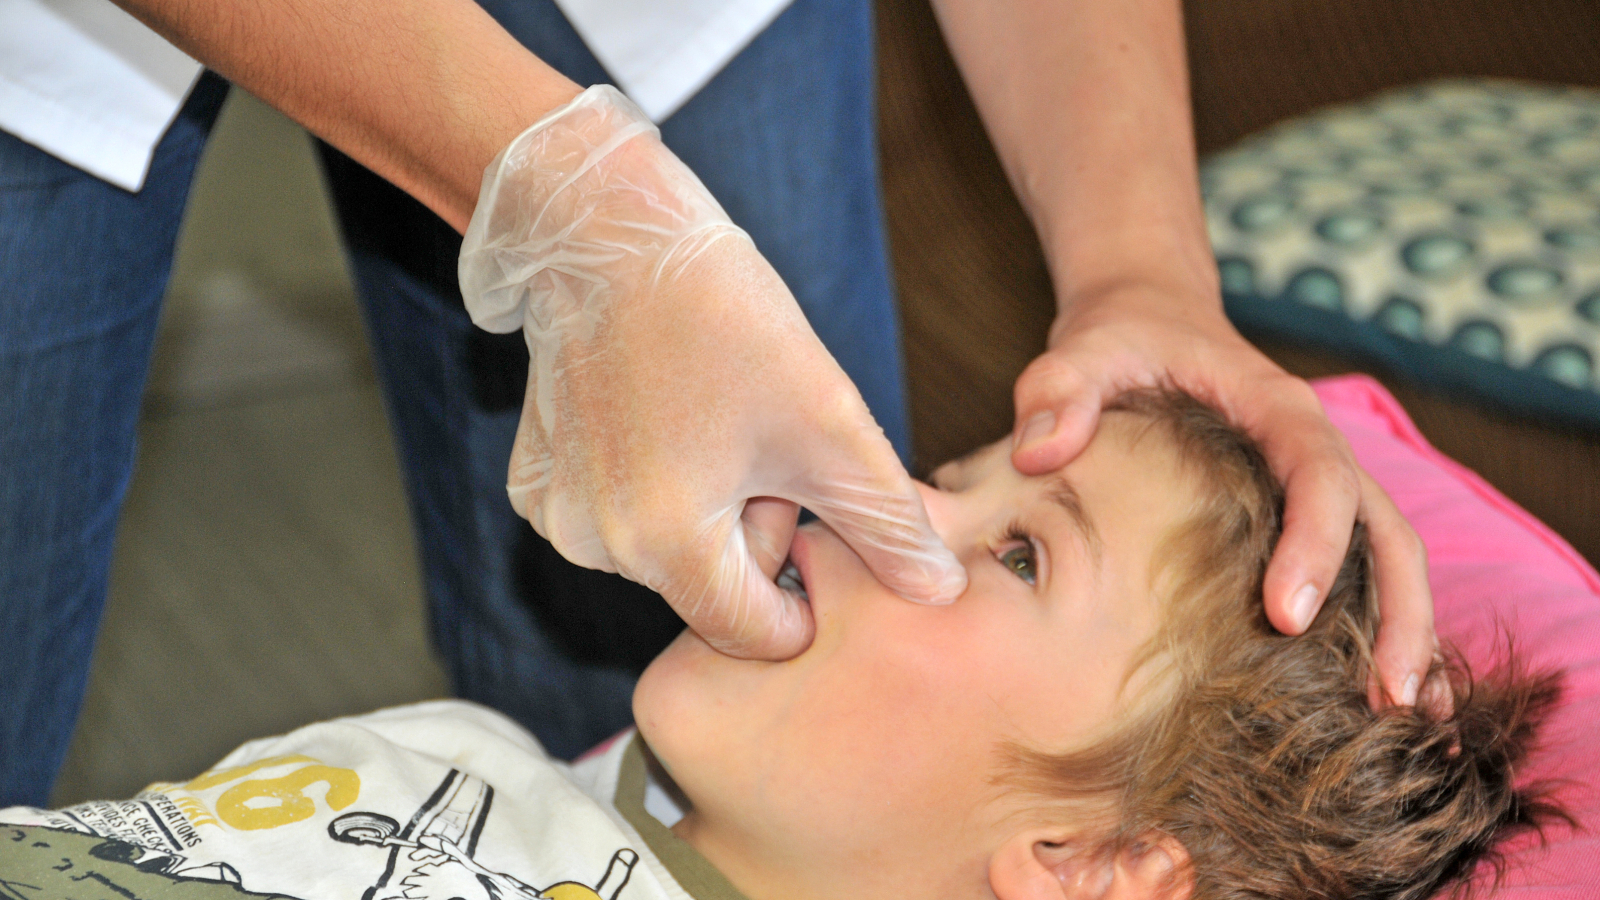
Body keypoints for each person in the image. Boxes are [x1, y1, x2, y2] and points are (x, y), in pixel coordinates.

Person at [0, 0, 1438, 805]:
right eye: (985, 484)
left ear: (1079, 867)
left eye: (1016, 546)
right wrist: (567, 200)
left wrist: (1141, 268)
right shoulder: (409, 783)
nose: (910, 495)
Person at [0, 387, 1559, 900]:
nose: (881, 505)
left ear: (1087, 861)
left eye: (1017, 551)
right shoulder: (466, 756)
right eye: (950, 479)